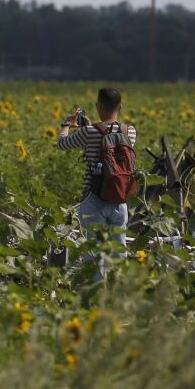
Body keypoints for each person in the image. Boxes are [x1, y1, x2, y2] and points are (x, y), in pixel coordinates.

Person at [57, 87, 137, 274]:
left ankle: (96, 295)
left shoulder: (90, 132)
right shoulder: (130, 132)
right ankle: (119, 292)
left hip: (94, 198)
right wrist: (90, 127)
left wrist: (67, 123)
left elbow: (62, 143)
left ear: (99, 106)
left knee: (93, 254)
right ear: (120, 107)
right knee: (119, 251)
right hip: (120, 199)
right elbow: (109, 140)